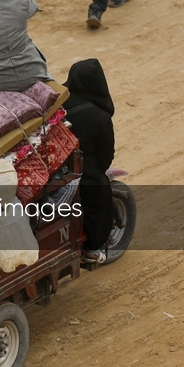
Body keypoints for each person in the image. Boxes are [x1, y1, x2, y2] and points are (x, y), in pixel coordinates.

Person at [62, 59, 115, 263]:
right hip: (82, 170)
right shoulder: (100, 117)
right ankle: (91, 248)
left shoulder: (59, 100)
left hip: (48, 163)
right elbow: (105, 154)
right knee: (100, 193)